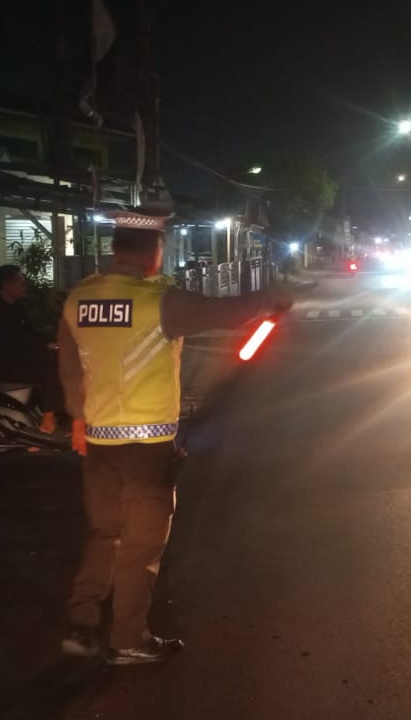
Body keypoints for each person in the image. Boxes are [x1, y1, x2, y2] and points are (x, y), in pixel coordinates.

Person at [57, 211, 292, 665]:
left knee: (105, 532)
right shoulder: (158, 301)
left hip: (100, 445)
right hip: (146, 449)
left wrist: (79, 422)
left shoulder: (79, 298)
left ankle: (81, 622)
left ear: (115, 248)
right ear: (154, 252)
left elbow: (69, 366)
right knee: (142, 545)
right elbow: (225, 312)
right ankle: (127, 639)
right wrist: (272, 298)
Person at [0, 265, 62, 433]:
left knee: (55, 361)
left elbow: (29, 332)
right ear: (7, 284)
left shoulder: (16, 307)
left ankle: (49, 413)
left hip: (18, 359)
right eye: (20, 282)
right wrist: (45, 347)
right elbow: (15, 340)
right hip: (4, 365)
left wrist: (52, 342)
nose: (23, 286)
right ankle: (48, 421)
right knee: (51, 369)